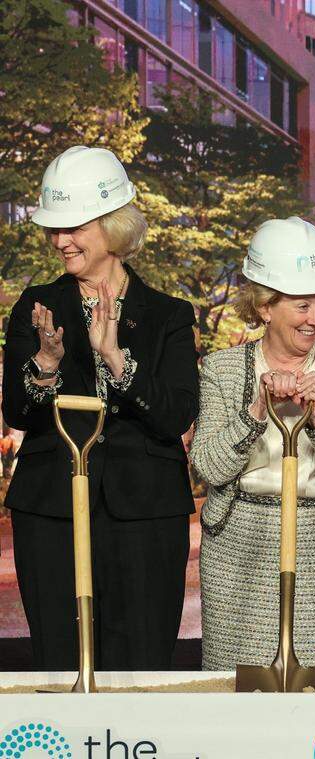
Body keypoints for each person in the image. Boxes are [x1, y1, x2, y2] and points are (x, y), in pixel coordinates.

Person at [1, 145, 199, 670]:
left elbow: (175, 414)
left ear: (113, 224)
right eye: (54, 228)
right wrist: (45, 363)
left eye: (75, 227)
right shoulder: (37, 305)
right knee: (63, 662)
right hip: (51, 510)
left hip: (146, 512)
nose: (60, 241)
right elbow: (19, 411)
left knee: (141, 664)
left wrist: (116, 358)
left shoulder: (169, 316)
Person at [190, 217, 315, 671]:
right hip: (240, 544)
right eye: (301, 306)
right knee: (237, 688)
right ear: (264, 307)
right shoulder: (223, 370)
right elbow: (209, 468)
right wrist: (255, 410)